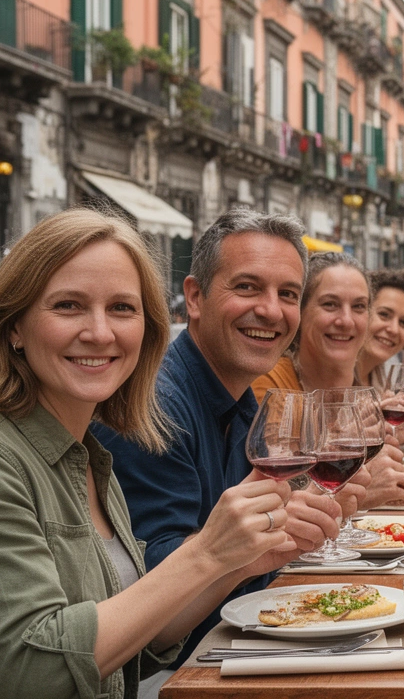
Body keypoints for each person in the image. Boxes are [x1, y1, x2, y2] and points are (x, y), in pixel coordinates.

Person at [0, 209, 337, 698]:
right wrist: (207, 553)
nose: (100, 332)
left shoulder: (88, 458)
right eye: (68, 306)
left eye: (122, 308)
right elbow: (36, 673)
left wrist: (245, 558)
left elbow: (142, 640)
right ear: (14, 326)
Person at [96, 207, 345, 672]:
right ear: (194, 297)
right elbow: (154, 584)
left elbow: (246, 555)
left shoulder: (242, 402)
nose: (271, 310)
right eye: (247, 287)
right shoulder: (155, 408)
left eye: (288, 293)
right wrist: (256, 543)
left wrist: (277, 536)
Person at [251, 253, 404, 510]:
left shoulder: (360, 392)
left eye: (359, 307)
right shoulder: (272, 386)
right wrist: (359, 490)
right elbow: (275, 490)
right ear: (301, 312)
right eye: (330, 304)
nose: (346, 320)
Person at [355, 270, 404, 389]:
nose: (394, 330)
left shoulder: (383, 378)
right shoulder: (331, 375)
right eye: (384, 314)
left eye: (403, 323)